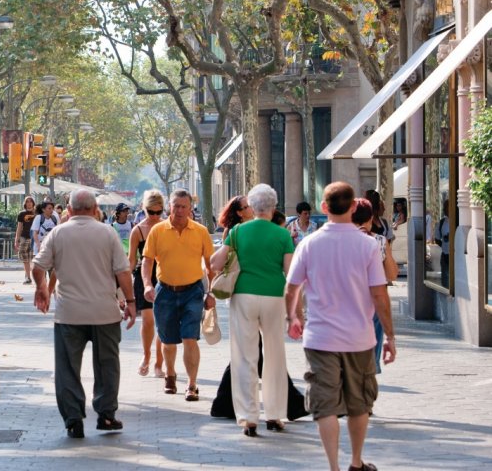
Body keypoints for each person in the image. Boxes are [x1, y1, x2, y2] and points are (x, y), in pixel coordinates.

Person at [286, 182, 396, 471]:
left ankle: (333, 466)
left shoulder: (309, 243)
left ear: (324, 208)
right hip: (360, 338)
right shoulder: (368, 245)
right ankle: (356, 461)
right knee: (359, 403)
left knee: (325, 405)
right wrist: (390, 336)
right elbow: (379, 293)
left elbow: (291, 287)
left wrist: (293, 318)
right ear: (352, 208)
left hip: (320, 338)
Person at [31, 189, 135, 438]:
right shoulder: (108, 233)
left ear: (69, 210)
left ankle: (73, 419)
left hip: (69, 314)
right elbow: (122, 272)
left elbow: (37, 265)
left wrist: (42, 289)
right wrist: (130, 301)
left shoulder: (58, 233)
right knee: (107, 365)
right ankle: (106, 416)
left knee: (67, 368)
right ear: (95, 209)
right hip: (105, 313)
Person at [211, 184, 293, 436]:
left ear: (253, 207)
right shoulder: (283, 235)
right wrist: (296, 310)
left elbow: (216, 263)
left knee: (244, 355)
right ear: (273, 207)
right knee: (275, 353)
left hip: (244, 294)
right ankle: (276, 413)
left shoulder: (237, 231)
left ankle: (248, 416)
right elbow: (290, 273)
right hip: (274, 295)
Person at [141, 189, 215, 401]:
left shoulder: (200, 231)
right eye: (176, 206)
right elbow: (147, 260)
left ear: (190, 208)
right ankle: (170, 375)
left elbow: (210, 267)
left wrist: (210, 292)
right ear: (169, 207)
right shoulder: (158, 231)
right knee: (168, 339)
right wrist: (147, 285)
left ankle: (192, 384)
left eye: (184, 206)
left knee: (190, 337)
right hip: (165, 291)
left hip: (193, 291)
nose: (180, 210)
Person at [352, 198, 400, 374]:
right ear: (371, 218)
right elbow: (392, 274)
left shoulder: (337, 239)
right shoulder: (379, 241)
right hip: (373, 300)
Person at [128, 190, 165, 378]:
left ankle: (159, 361)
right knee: (149, 320)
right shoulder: (138, 230)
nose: (155, 216)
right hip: (144, 277)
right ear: (145, 209)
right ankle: (147, 355)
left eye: (159, 212)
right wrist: (122, 284)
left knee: (162, 322)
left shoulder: (167, 228)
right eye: (152, 212)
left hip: (164, 275)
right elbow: (131, 260)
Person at [14, 197, 36, 285]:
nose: (29, 203)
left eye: (31, 202)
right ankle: (28, 277)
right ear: (25, 203)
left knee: (33, 259)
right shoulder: (21, 214)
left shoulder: (37, 213)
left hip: (34, 238)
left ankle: (36, 277)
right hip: (24, 237)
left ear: (33, 203)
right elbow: (19, 227)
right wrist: (16, 240)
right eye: (27, 202)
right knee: (25, 258)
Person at [434, 199, 450, 287]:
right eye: (447, 207)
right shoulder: (442, 222)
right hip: (445, 255)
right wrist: (445, 244)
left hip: (457, 255)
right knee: (445, 279)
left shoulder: (459, 220)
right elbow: (437, 239)